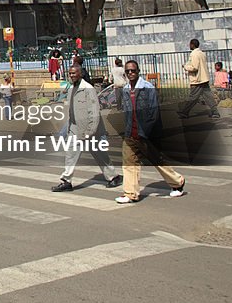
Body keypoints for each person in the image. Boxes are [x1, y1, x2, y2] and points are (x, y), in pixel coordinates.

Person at [115, 61, 187, 204]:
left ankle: (177, 181)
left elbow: (154, 113)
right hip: (130, 133)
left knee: (157, 160)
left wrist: (146, 133)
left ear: (138, 71)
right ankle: (130, 193)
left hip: (146, 133)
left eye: (133, 71)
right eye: (128, 71)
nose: (130, 73)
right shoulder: (125, 89)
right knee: (129, 162)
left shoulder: (148, 88)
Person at [51, 66, 122, 192]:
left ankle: (113, 177)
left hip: (90, 129)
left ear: (80, 74)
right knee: (70, 154)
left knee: (100, 154)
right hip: (75, 128)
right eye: (70, 73)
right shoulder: (71, 88)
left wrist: (90, 131)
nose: (71, 75)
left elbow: (94, 112)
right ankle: (66, 180)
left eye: (74, 73)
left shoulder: (88, 89)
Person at [177, 39, 220, 119]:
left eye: (190, 44)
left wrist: (185, 67)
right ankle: (215, 112)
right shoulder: (201, 53)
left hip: (197, 80)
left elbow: (194, 67)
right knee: (209, 97)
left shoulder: (194, 54)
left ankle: (184, 112)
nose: (189, 46)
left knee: (193, 97)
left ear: (193, 45)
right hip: (204, 78)